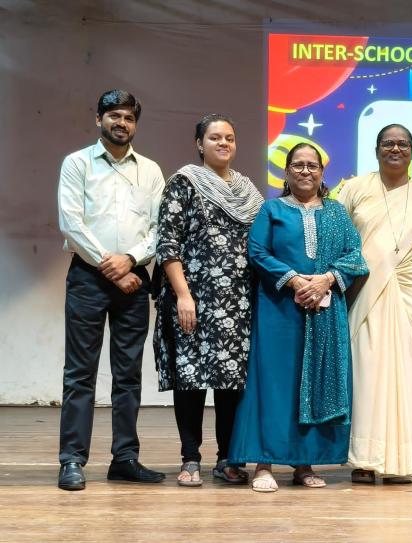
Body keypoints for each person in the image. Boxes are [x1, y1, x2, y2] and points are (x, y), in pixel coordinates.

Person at [228, 143, 367, 492]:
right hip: (279, 311)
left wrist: (327, 279)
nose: (306, 171)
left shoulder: (336, 213)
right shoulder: (272, 209)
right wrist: (293, 280)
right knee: (274, 384)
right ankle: (263, 463)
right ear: (287, 171)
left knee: (312, 383)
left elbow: (355, 255)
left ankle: (304, 464)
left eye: (312, 165)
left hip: (324, 311)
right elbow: (257, 252)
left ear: (322, 172)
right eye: (298, 165)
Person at [337, 124, 412, 484]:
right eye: (388, 143)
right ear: (376, 150)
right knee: (365, 375)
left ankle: (398, 463)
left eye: (402, 144)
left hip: (411, 296)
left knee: (406, 378)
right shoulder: (354, 189)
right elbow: (338, 240)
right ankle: (364, 461)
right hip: (363, 291)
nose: (395, 149)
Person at [56, 90, 166, 491]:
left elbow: (159, 228)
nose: (122, 123)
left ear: (136, 125)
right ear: (99, 119)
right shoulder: (77, 163)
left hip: (134, 280)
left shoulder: (150, 171)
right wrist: (113, 266)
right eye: (114, 115)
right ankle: (72, 460)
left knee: (128, 375)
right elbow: (71, 222)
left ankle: (125, 458)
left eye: (129, 118)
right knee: (79, 373)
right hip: (88, 278)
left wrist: (131, 259)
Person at [154, 114, 263, 487]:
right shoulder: (184, 182)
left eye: (229, 137)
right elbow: (167, 242)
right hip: (194, 299)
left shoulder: (248, 191)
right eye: (215, 137)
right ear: (200, 144)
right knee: (191, 380)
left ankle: (227, 459)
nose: (223, 143)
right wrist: (183, 295)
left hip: (238, 301)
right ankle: (190, 459)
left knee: (232, 383)